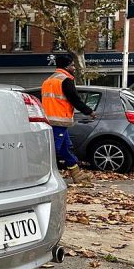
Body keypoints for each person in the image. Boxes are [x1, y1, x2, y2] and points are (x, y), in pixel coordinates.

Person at [41, 55, 96, 184]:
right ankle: (47, 178)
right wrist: (89, 111)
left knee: (66, 148)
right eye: (72, 65)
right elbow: (75, 99)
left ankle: (76, 175)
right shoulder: (65, 80)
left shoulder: (48, 80)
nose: (74, 68)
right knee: (54, 150)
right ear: (66, 66)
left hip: (50, 120)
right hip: (58, 120)